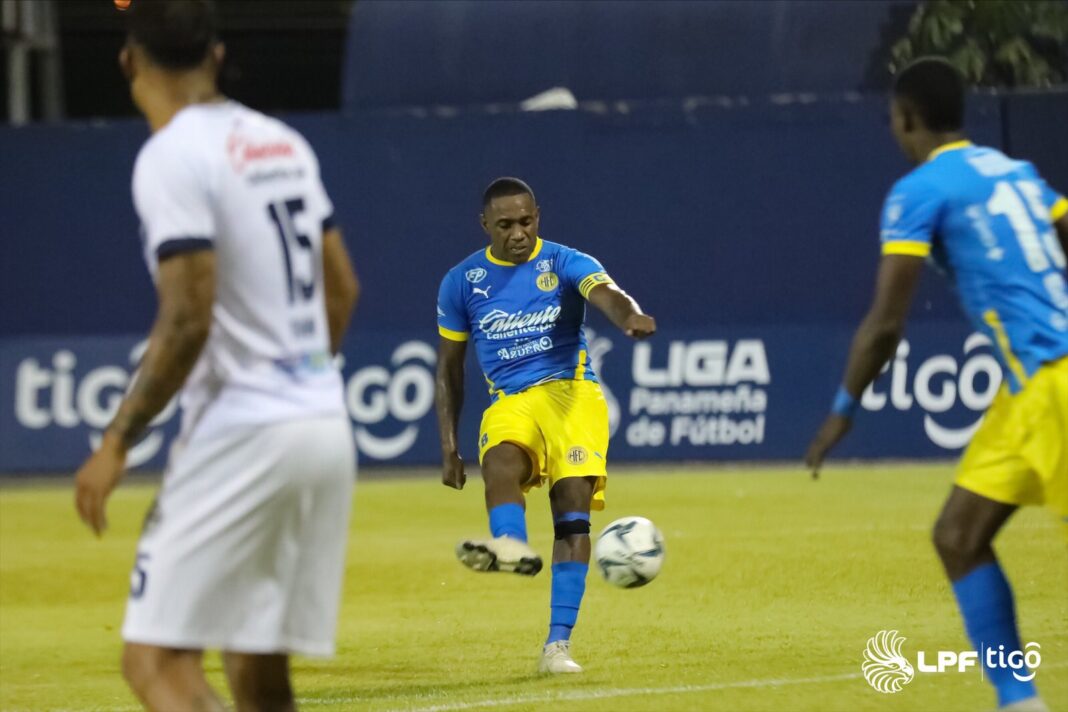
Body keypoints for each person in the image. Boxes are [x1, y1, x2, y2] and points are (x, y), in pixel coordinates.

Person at [72, 2, 360, 710]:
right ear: (218, 56)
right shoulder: (281, 143)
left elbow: (187, 317)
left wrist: (116, 443)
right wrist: (300, 382)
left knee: (154, 661)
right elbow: (342, 289)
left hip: (242, 433)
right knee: (255, 661)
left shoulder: (171, 155)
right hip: (322, 425)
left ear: (129, 61)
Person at [805, 57, 1066, 712]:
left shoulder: (919, 191)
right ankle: (1019, 701)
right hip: (1026, 390)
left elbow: (885, 325)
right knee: (958, 536)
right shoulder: (1017, 173)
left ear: (906, 118)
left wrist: (842, 409)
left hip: (1053, 382)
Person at [435, 177, 656, 674]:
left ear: (538, 215)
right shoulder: (461, 282)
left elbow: (607, 294)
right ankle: (509, 543)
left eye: (526, 221)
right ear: (485, 224)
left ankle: (557, 646)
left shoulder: (563, 261)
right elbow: (449, 367)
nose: (518, 233)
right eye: (505, 225)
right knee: (500, 461)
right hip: (512, 399)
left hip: (572, 395)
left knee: (571, 507)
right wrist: (448, 445)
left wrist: (630, 316)